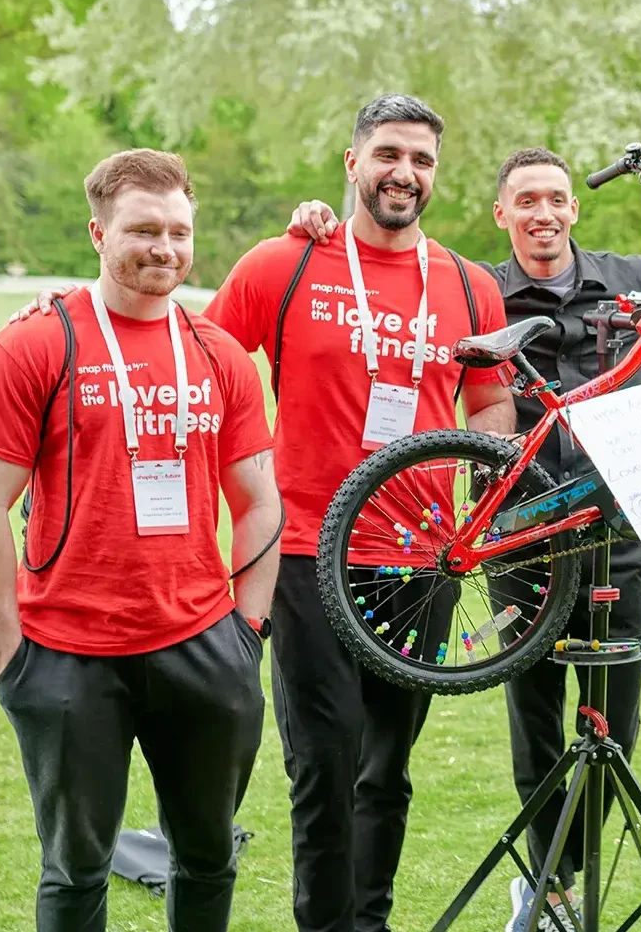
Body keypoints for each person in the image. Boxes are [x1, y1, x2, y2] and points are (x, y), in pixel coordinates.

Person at [282, 145, 641, 931]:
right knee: (536, 728)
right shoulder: (480, 290)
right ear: (503, 213)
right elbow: (388, 319)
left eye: (556, 198)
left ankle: (568, 878)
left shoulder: (630, 276)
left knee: (613, 732)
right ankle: (547, 886)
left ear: (574, 208)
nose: (543, 212)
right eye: (525, 199)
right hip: (520, 546)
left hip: (616, 537)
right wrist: (319, 224)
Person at [206, 95, 516, 932]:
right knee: (325, 760)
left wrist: (458, 464)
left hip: (422, 562)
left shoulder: (467, 284)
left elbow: (492, 407)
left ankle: (368, 921)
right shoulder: (285, 264)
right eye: (387, 154)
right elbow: (203, 367)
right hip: (306, 551)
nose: (403, 174)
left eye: (420, 160)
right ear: (352, 163)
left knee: (386, 766)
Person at [0, 148, 281, 931]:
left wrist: (249, 630)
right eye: (142, 229)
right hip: (67, 655)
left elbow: (260, 501)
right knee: (74, 871)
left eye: (177, 231)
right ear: (97, 233)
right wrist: (10, 654)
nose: (163, 248)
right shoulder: (32, 345)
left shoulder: (220, 356)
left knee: (208, 858)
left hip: (204, 647)